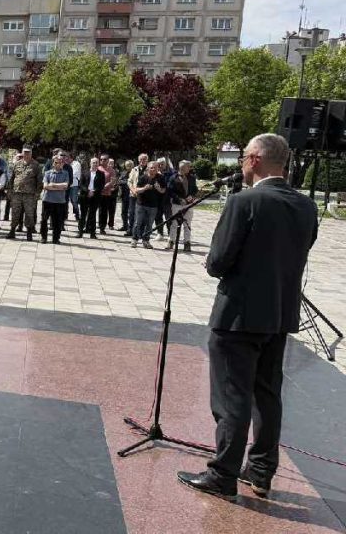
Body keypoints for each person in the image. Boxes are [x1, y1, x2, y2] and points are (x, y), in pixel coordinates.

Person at [177, 133, 318, 502]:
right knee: (267, 395)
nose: (240, 163)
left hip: (237, 316)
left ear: (255, 159)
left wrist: (213, 261)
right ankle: (260, 471)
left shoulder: (245, 201)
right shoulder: (306, 207)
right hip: (279, 315)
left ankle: (222, 474)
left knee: (231, 397)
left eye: (243, 157)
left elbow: (219, 261)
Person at [7, 147, 41, 241]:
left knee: (29, 214)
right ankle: (12, 230)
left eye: (28, 153)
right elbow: (12, 178)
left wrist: (37, 194)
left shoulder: (36, 165)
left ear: (31, 154)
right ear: (22, 153)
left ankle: (29, 232)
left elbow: (39, 181)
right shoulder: (17, 164)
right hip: (17, 193)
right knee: (15, 212)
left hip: (29, 194)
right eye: (24, 153)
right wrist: (9, 191)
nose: (26, 155)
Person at [130, 161, 165, 248]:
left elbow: (163, 191)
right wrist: (144, 188)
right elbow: (136, 190)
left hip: (153, 205)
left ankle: (146, 240)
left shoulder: (160, 178)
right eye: (152, 168)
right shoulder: (143, 177)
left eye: (156, 168)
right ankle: (134, 239)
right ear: (148, 168)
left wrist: (159, 188)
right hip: (141, 204)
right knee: (138, 222)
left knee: (149, 224)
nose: (154, 169)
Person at [165, 160, 197, 251]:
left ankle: (187, 243)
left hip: (189, 205)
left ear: (188, 168)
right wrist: (179, 199)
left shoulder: (192, 178)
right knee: (174, 223)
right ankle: (171, 241)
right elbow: (170, 191)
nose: (183, 169)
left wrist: (192, 196)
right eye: (181, 167)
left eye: (185, 167)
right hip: (177, 204)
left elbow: (195, 189)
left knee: (187, 224)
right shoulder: (173, 178)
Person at [41, 155, 70, 244]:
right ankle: (44, 237)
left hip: (60, 201)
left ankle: (56, 238)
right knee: (44, 220)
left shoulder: (65, 173)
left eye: (60, 162)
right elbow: (45, 186)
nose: (58, 164)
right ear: (53, 163)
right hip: (47, 200)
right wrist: (59, 187)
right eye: (56, 162)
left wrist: (53, 185)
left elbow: (65, 185)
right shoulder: (47, 173)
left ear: (62, 164)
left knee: (58, 221)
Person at [77, 157, 104, 239]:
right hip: (84, 196)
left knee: (92, 215)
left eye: (96, 162)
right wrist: (88, 191)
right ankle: (80, 232)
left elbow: (101, 186)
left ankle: (92, 233)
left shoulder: (101, 174)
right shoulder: (84, 172)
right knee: (83, 215)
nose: (95, 164)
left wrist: (93, 191)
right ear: (90, 163)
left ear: (98, 164)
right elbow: (81, 184)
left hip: (95, 197)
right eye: (93, 162)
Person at [125, 153, 150, 237]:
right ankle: (130, 230)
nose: (142, 161)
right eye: (141, 159)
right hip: (133, 195)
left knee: (141, 215)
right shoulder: (134, 169)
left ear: (147, 160)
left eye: (144, 159)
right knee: (131, 213)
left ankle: (140, 232)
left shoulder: (150, 169)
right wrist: (132, 190)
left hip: (144, 195)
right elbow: (129, 181)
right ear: (138, 160)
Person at [118, 159, 133, 233]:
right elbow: (119, 181)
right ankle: (125, 225)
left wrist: (125, 182)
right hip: (124, 195)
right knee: (123, 212)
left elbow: (132, 182)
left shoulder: (135, 172)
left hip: (132, 195)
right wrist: (126, 182)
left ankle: (131, 227)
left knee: (131, 212)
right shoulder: (123, 173)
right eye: (127, 165)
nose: (128, 167)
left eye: (130, 165)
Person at [67, 152, 82, 223]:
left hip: (73, 185)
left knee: (74, 200)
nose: (66, 159)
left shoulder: (76, 164)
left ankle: (77, 214)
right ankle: (65, 215)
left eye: (67, 157)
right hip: (66, 185)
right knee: (65, 200)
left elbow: (74, 174)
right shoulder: (66, 164)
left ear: (71, 158)